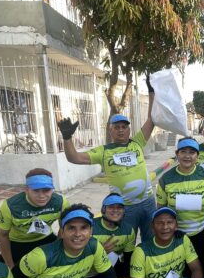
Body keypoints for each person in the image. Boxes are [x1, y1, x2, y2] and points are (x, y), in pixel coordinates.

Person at [58, 86, 156, 241]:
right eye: (117, 127)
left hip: (148, 203)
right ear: (110, 131)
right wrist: (67, 137)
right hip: (124, 208)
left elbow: (151, 119)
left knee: (151, 239)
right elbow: (74, 158)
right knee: (125, 242)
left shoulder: (137, 142)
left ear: (129, 130)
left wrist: (151, 92)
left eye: (124, 127)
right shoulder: (103, 151)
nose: (121, 130)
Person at [156, 137, 204, 278]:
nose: (187, 156)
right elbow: (161, 208)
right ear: (177, 154)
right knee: (182, 271)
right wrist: (168, 230)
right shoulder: (166, 178)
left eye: (192, 152)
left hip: (203, 230)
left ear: (197, 156)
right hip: (178, 233)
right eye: (183, 152)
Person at [0, 168, 69, 270]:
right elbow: (1, 235)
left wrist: (57, 249)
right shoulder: (10, 206)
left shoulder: (60, 202)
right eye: (36, 190)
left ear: (52, 189)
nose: (41, 196)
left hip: (45, 239)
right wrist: (10, 264)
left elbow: (65, 227)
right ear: (26, 189)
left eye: (46, 190)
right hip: (17, 243)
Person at [92, 193, 136, 278]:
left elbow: (128, 258)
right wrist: (101, 251)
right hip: (92, 266)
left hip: (113, 264)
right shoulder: (91, 227)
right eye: (111, 207)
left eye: (119, 207)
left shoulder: (128, 230)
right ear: (103, 210)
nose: (115, 210)